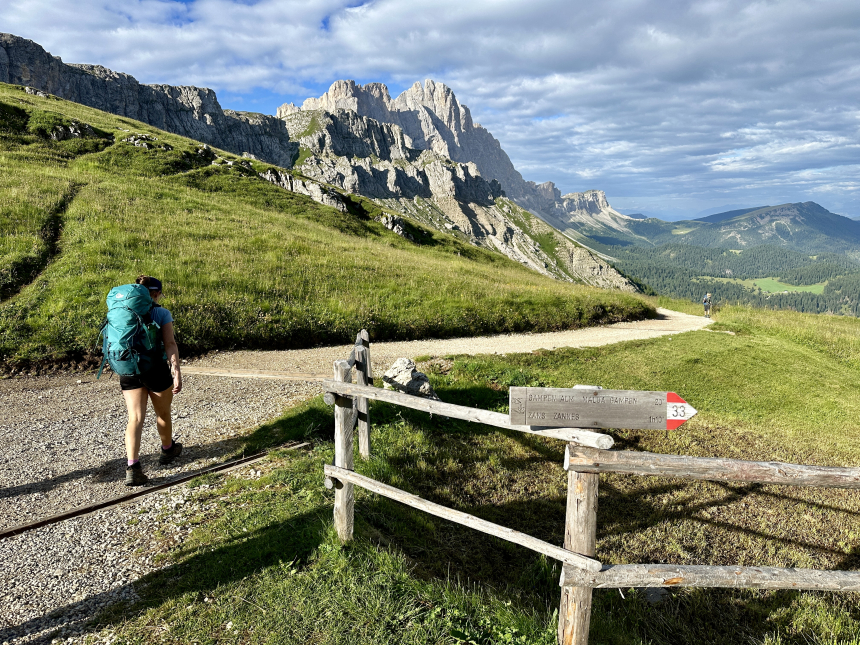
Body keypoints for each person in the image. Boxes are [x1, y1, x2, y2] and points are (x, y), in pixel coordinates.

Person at [122, 275, 183, 486]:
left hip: (129, 369)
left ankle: (133, 467)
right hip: (155, 369)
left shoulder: (123, 312)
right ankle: (167, 450)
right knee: (162, 412)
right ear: (156, 293)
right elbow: (170, 344)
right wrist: (176, 372)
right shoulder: (162, 313)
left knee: (135, 418)